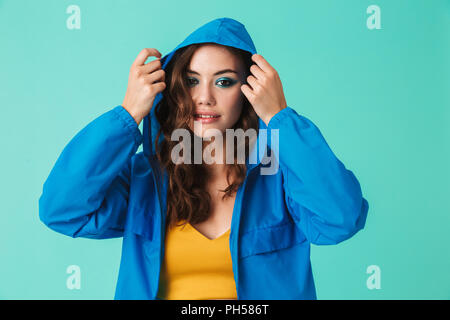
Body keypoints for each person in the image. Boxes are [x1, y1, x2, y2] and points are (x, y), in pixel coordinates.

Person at [39, 17, 369, 300]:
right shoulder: (145, 179)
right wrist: (128, 113)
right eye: (191, 81)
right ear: (173, 88)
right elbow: (62, 209)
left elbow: (340, 220)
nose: (205, 98)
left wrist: (280, 117)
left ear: (250, 92)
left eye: (224, 82)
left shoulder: (279, 178)